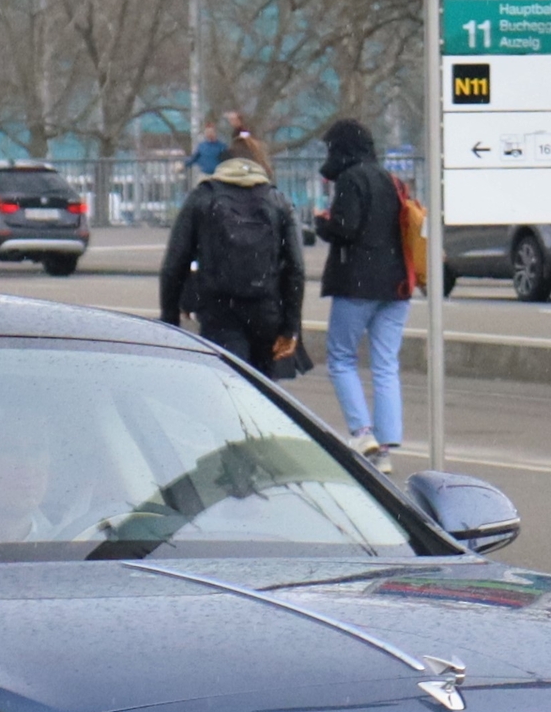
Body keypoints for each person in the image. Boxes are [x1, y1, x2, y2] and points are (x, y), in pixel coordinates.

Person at [158, 141, 304, 377]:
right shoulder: (277, 200)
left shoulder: (202, 197)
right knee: (262, 391)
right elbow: (296, 269)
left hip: (219, 310)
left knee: (229, 385)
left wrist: (170, 318)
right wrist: (290, 328)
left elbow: (174, 265)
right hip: (266, 309)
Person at [311, 119, 408, 462]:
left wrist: (322, 223)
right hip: (396, 285)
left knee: (341, 358)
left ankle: (362, 432)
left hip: (358, 283)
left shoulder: (352, 179)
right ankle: (386, 445)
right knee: (385, 363)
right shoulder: (390, 179)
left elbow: (346, 228)